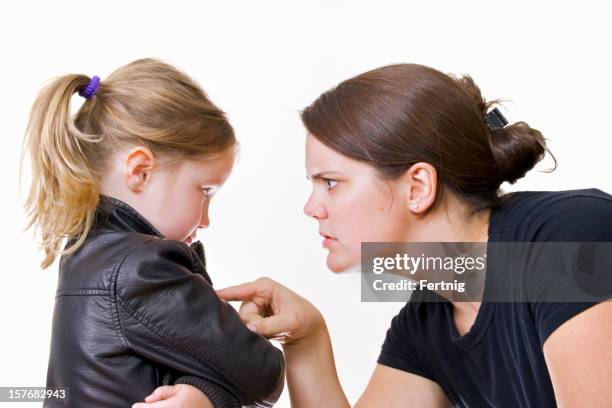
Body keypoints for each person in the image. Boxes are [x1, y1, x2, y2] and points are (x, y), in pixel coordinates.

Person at [150, 63, 612, 407]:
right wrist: (306, 338)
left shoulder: (570, 239)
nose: (312, 208)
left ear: (417, 187)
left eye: (330, 182)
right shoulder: (428, 322)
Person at [22, 58, 284, 407]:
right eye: (205, 191)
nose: (205, 219)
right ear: (141, 170)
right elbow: (263, 376)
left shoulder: (86, 253)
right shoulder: (143, 267)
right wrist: (247, 331)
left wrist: (205, 393)